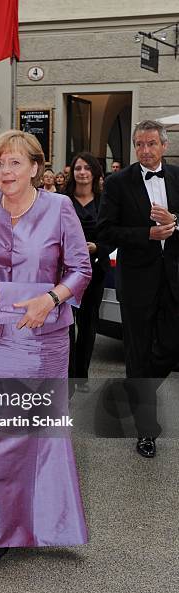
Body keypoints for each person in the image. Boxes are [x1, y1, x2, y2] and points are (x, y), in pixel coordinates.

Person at [0, 129, 91, 568]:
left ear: (35, 168)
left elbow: (80, 268)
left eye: (15, 163)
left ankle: (42, 524)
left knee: (37, 434)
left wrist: (49, 298)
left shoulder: (60, 208)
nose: (5, 171)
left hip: (42, 339)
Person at [97, 119, 179, 458]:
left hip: (174, 279)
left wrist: (175, 223)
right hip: (136, 281)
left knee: (171, 346)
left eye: (151, 144)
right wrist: (147, 234)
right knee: (137, 352)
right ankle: (147, 431)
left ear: (164, 146)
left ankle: (137, 389)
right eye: (139, 145)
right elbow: (105, 232)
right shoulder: (118, 183)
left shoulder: (177, 176)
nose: (145, 150)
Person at [64, 153, 111, 391]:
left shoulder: (106, 201)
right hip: (64, 272)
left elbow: (113, 235)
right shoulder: (62, 201)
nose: (82, 172)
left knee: (88, 323)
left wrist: (98, 247)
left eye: (86, 168)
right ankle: (68, 374)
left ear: (95, 172)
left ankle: (81, 375)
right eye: (77, 168)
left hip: (94, 270)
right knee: (66, 325)